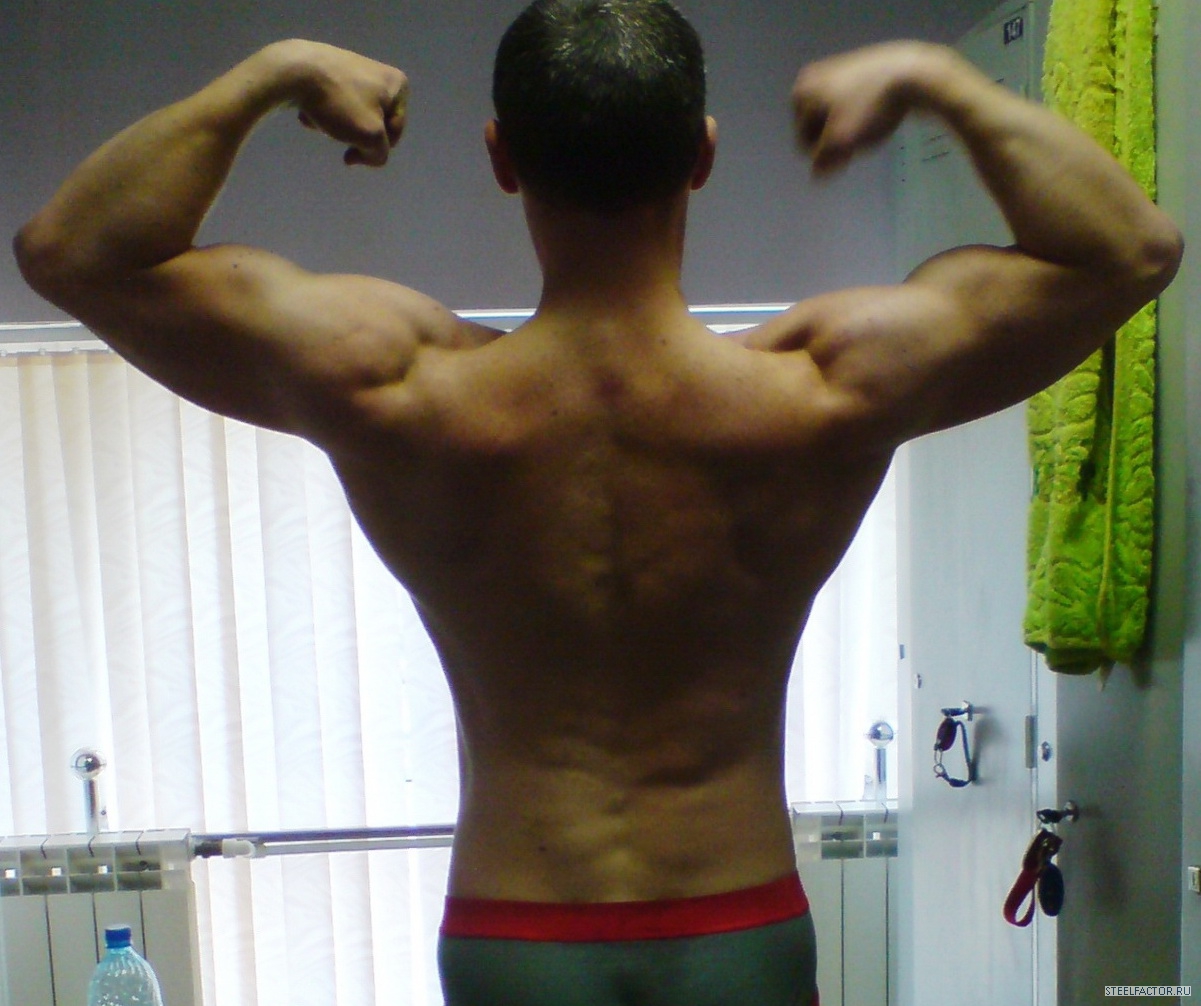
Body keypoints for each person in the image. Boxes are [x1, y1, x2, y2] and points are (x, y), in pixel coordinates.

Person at [14, 2, 1181, 1004]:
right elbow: (1129, 249)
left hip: (515, 932)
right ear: (703, 155)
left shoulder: (399, 385)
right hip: (738, 924)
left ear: (501, 157)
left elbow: (72, 250)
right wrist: (941, 82)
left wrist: (273, 74)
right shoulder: (825, 386)